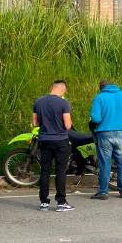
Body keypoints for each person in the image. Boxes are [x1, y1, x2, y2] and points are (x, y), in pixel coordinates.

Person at [89, 80, 122, 199]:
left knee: (105, 163)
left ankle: (103, 192)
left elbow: (95, 118)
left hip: (104, 133)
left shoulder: (99, 97)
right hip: (120, 133)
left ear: (101, 88)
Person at [33, 80, 74, 212]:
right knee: (60, 171)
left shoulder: (38, 102)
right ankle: (61, 202)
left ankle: (44, 202)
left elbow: (35, 123)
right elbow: (68, 125)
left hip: (44, 140)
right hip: (61, 140)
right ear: (62, 90)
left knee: (45, 171)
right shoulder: (63, 103)